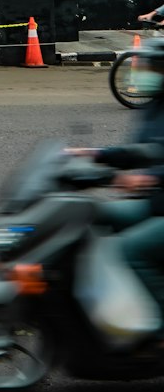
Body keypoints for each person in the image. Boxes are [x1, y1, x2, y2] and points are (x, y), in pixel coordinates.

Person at [68, 38, 164, 318]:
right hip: (157, 203)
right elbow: (142, 152)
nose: (142, 73)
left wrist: (150, 179)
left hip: (158, 201)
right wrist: (94, 154)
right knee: (89, 214)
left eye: (152, 68)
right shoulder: (154, 107)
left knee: (131, 249)